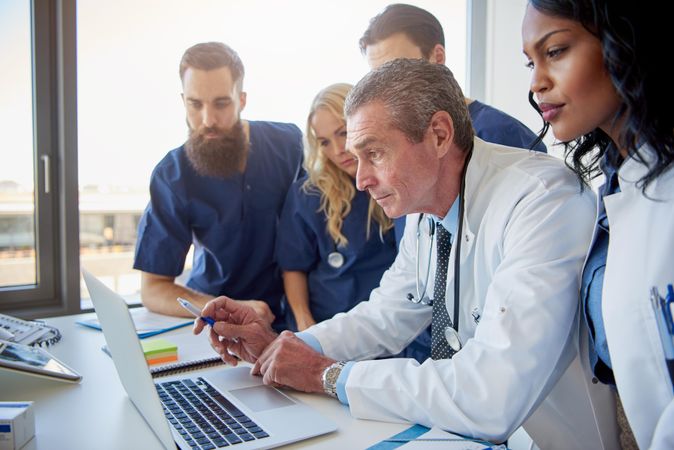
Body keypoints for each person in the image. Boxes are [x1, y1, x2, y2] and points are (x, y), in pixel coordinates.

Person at [194, 59, 618, 449]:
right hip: (461, 434)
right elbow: (386, 316)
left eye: (374, 153)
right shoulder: (423, 209)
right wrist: (286, 348)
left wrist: (327, 375)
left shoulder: (543, 200)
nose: (361, 179)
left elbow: (491, 393)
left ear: (438, 135)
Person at [523, 1, 674, 449]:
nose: (536, 83)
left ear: (625, 44)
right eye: (530, 62)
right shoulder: (617, 180)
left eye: (556, 51)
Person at [360, 3, 548, 363]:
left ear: (437, 57)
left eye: (396, 73)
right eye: (375, 77)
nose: (383, 90)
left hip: (483, 358)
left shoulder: (503, 139)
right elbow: (408, 286)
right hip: (420, 344)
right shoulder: (405, 150)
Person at [133, 42, 302, 331]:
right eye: (195, 104)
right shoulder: (172, 175)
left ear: (242, 100)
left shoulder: (289, 144)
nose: (208, 120)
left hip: (288, 313)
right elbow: (153, 289)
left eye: (221, 103)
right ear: (183, 100)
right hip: (212, 312)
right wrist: (222, 310)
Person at [275, 83, 397, 331]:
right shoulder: (308, 195)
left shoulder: (397, 185)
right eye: (324, 142)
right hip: (325, 322)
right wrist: (305, 326)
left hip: (386, 326)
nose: (338, 150)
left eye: (343, 133)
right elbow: (293, 268)